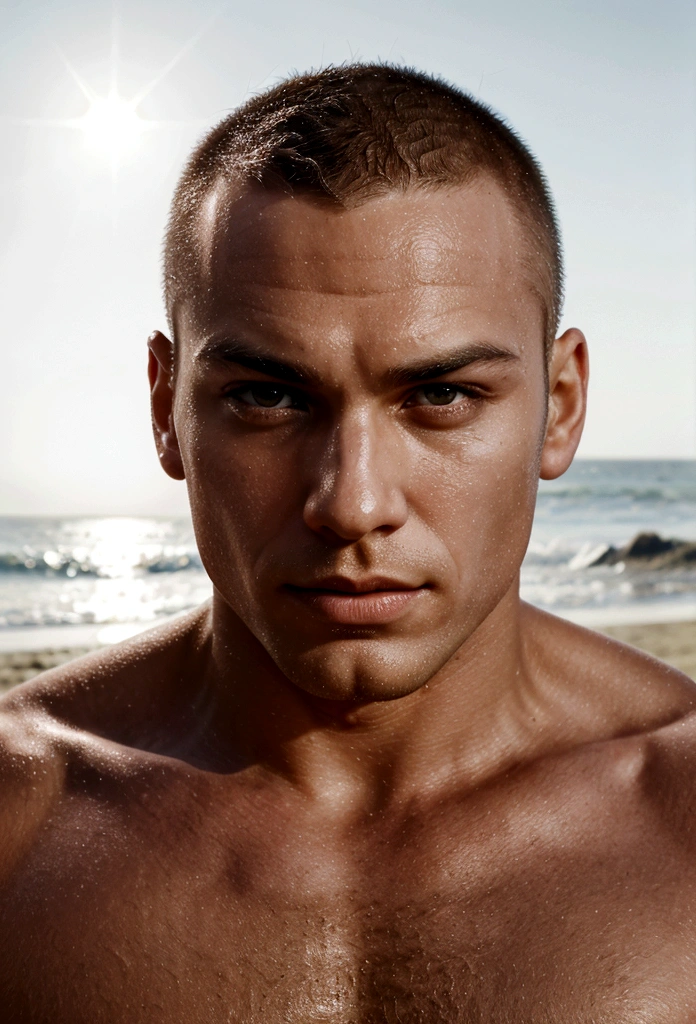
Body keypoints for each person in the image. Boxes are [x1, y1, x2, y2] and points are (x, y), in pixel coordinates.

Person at [1, 63, 695, 1023]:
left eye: (441, 395)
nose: (352, 503)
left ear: (561, 407)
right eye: (269, 395)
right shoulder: (18, 817)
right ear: (167, 409)